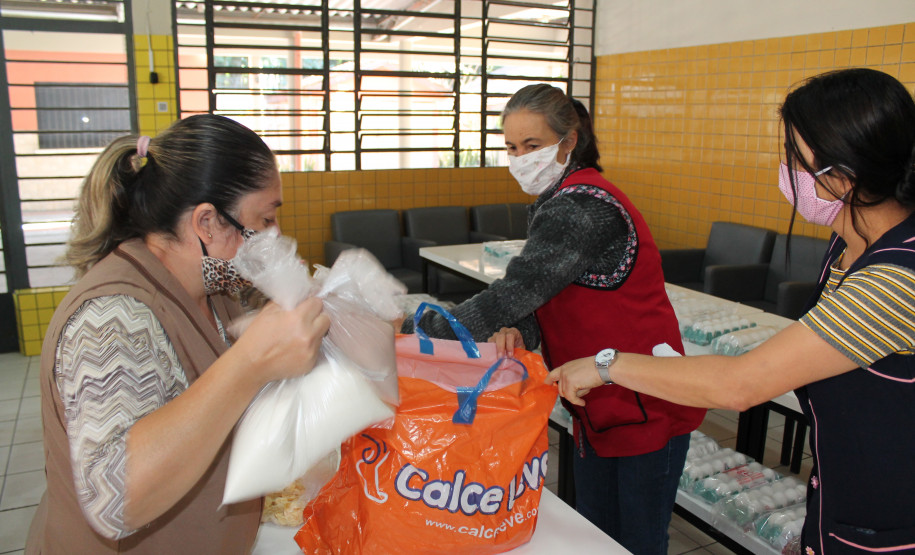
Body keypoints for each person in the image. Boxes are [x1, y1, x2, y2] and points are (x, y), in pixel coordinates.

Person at [544, 68, 915, 555]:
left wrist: (605, 365)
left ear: (843, 173)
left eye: (797, 160)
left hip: (889, 526)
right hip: (843, 508)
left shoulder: (897, 278)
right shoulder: (850, 245)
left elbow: (739, 384)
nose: (788, 174)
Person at [401, 84, 705, 554]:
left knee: (637, 541)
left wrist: (411, 336)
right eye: (510, 147)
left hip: (645, 398)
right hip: (597, 401)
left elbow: (516, 291)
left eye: (532, 145)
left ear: (568, 141)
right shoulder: (558, 198)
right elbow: (548, 299)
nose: (520, 158)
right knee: (595, 533)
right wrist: (518, 331)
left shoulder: (582, 206)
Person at [26, 114, 331, 554]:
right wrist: (248, 366)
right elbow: (116, 501)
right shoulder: (113, 318)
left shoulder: (214, 286)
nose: (275, 236)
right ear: (207, 223)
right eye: (264, 220)